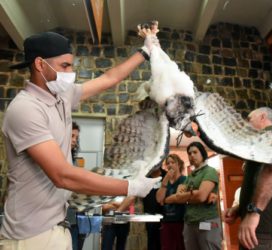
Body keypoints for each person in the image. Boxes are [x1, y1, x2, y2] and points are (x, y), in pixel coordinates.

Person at [0, 27, 161, 249]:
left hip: (58, 226)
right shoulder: (25, 109)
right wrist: (130, 187)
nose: (70, 72)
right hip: (30, 235)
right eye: (64, 66)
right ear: (39, 64)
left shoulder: (62, 96)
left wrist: (145, 51)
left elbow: (109, 78)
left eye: (71, 65)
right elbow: (62, 176)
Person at [223, 107, 272, 250]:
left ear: (263, 117)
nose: (246, 124)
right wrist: (240, 208)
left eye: (249, 119)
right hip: (264, 231)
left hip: (269, 231)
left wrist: (254, 212)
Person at [165, 141, 222, 250]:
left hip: (206, 221)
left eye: (195, 152)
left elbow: (201, 196)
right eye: (189, 153)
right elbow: (178, 197)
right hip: (189, 222)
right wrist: (194, 194)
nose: (192, 155)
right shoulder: (190, 176)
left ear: (202, 154)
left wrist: (189, 196)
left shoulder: (210, 171)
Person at [156, 154, 187, 250]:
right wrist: (165, 181)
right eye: (168, 163)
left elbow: (179, 198)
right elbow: (158, 199)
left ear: (179, 165)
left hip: (180, 221)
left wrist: (165, 200)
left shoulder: (184, 179)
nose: (170, 165)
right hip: (166, 222)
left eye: (173, 162)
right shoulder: (165, 182)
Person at [65, 121, 87, 250]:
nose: (74, 140)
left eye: (76, 138)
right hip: (61, 221)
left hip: (76, 218)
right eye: (72, 136)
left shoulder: (73, 161)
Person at [143, 168, 166, 250]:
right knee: (151, 242)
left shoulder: (165, 175)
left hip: (164, 215)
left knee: (164, 242)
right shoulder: (145, 177)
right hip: (149, 216)